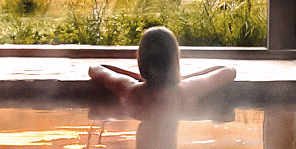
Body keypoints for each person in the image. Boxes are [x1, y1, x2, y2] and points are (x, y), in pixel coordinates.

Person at [88, 26, 237, 109]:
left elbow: (95, 68)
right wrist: (183, 78)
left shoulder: (128, 89)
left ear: (141, 61)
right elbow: (229, 70)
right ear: (174, 60)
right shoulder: (188, 90)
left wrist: (137, 76)